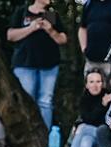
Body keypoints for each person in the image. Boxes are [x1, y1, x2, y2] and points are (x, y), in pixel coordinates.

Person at [46, 69, 111, 147]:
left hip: (106, 137)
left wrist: (104, 105)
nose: (95, 85)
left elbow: (106, 123)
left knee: (83, 128)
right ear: (86, 84)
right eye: (91, 82)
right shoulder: (84, 99)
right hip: (91, 138)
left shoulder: (109, 96)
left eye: (98, 81)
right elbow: (88, 118)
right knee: (85, 141)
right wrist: (101, 105)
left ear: (103, 83)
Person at [6, 0, 68, 128]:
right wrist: (31, 28)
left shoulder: (51, 15)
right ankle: (28, 135)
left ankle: (45, 137)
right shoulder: (22, 11)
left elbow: (63, 39)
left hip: (49, 65)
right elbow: (10, 35)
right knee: (27, 100)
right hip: (25, 64)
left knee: (46, 101)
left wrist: (50, 30)